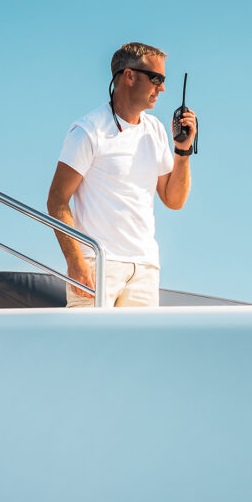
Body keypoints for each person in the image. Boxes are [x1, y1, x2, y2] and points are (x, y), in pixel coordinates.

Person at [47, 42, 197, 307]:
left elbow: (174, 200)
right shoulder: (87, 130)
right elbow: (57, 201)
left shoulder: (156, 130)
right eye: (156, 79)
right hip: (97, 263)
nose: (162, 88)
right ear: (129, 76)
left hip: (145, 267)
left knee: (141, 350)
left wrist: (182, 151)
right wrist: (76, 262)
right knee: (87, 348)